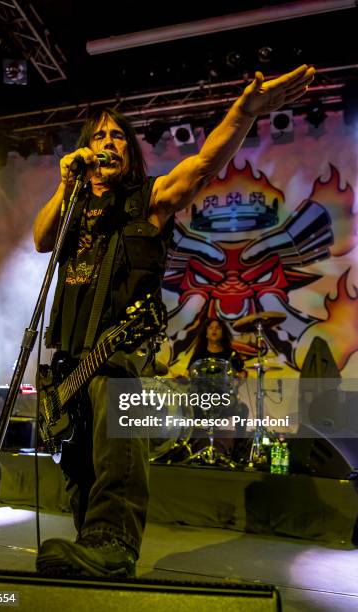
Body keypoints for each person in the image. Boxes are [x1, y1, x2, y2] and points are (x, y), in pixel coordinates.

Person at [33, 64, 315, 578]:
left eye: (118, 136)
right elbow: (40, 238)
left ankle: (115, 542)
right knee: (80, 467)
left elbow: (206, 162)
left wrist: (246, 110)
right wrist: (65, 181)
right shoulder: (71, 207)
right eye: (98, 136)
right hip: (68, 359)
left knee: (116, 399)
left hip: (120, 348)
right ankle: (91, 547)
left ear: (130, 150)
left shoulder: (152, 199)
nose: (109, 143)